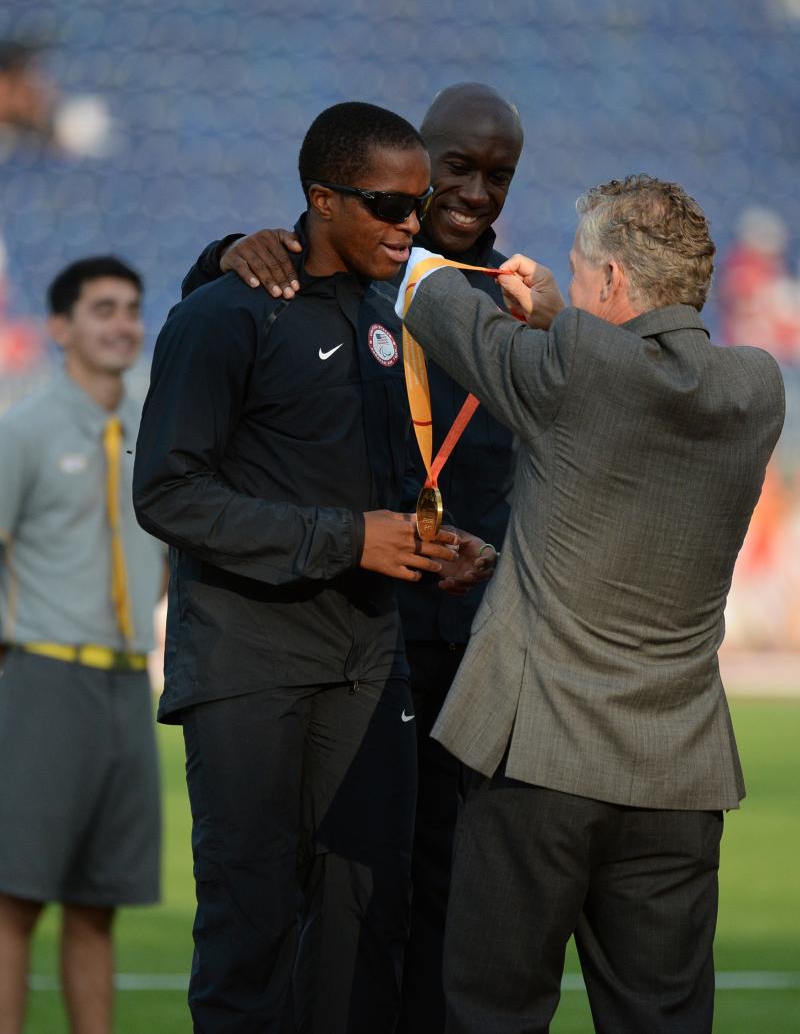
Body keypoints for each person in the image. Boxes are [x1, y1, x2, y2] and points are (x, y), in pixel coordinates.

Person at [132, 101, 492, 1034]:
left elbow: (379, 488)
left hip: (371, 665)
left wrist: (431, 542)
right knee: (249, 937)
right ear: (321, 198)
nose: (410, 224)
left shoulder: (389, 321)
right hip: (248, 668)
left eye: (417, 204)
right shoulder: (224, 313)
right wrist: (348, 538)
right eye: (387, 204)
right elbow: (168, 494)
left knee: (365, 930)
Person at [396, 175, 786, 1033]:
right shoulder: (756, 387)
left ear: (609, 280)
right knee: (664, 1019)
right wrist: (558, 317)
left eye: (577, 274)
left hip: (537, 757)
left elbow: (428, 296)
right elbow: (632, 378)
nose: (566, 290)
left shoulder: (575, 365)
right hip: (679, 774)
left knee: (493, 1013)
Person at [0, 256, 165, 1034]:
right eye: (102, 308)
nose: (122, 323)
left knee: (100, 900)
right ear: (61, 327)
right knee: (14, 899)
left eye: (131, 308)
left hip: (131, 684)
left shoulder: (157, 429)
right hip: (44, 675)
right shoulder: (23, 429)